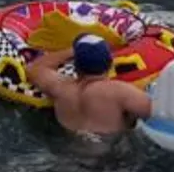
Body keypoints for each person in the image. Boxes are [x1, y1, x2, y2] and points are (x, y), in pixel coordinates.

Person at [24, 34, 153, 138]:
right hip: (111, 161)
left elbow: (34, 68)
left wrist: (74, 50)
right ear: (110, 64)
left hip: (68, 156)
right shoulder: (119, 91)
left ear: (75, 66)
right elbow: (157, 113)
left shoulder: (60, 88)